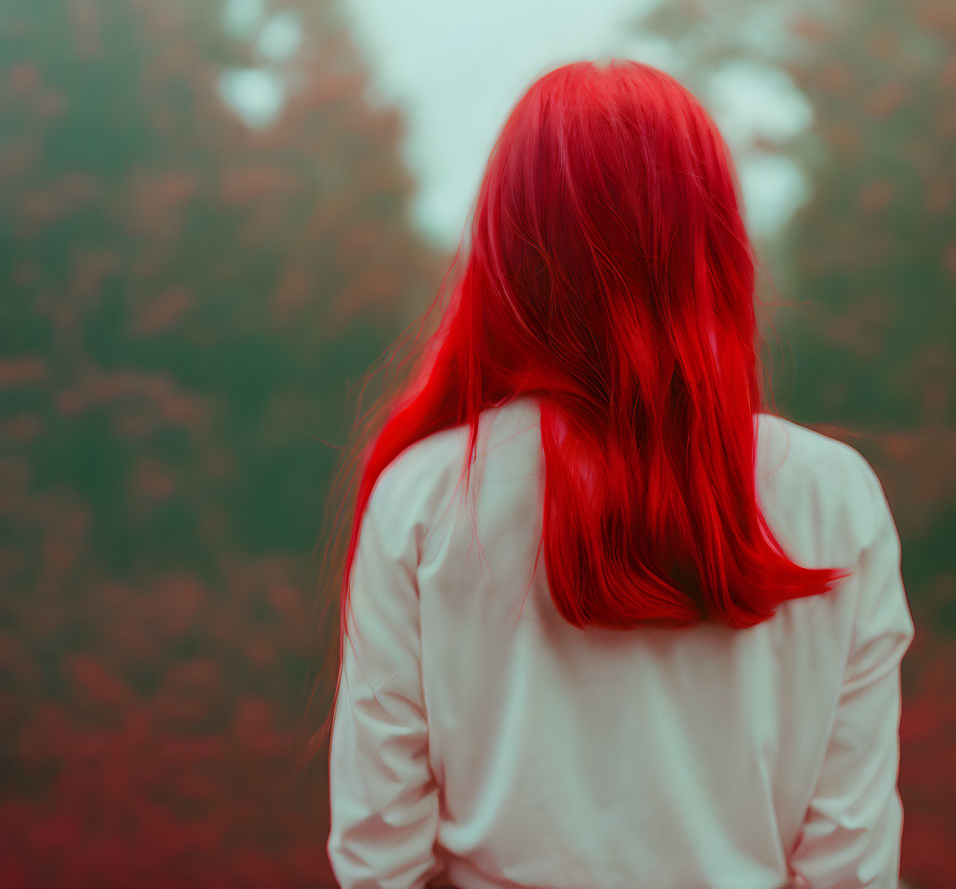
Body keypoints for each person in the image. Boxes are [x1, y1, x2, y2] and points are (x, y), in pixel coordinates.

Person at [315, 58, 915, 889]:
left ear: (508, 245)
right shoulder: (831, 495)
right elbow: (850, 867)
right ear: (711, 242)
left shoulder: (421, 498)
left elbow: (380, 860)